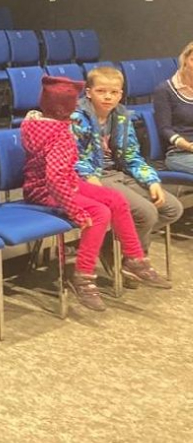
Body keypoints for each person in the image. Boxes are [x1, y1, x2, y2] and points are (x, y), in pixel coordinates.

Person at [21, 76, 170, 312]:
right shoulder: (60, 134)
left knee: (116, 199)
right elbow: (54, 179)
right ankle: (83, 275)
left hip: (63, 183)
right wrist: (75, 211)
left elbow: (61, 176)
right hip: (46, 191)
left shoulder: (35, 122)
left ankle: (134, 259)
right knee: (99, 212)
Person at [73, 66, 183, 270]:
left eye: (113, 92)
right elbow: (72, 155)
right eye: (101, 91)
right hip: (93, 177)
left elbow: (131, 155)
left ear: (120, 94)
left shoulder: (122, 116)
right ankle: (136, 260)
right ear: (88, 92)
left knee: (171, 209)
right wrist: (88, 176)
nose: (108, 97)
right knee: (146, 213)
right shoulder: (77, 118)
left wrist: (151, 180)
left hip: (118, 173)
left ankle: (111, 242)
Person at [152, 40, 193, 175]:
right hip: (180, 153)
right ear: (185, 60)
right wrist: (188, 146)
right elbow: (165, 129)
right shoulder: (165, 90)